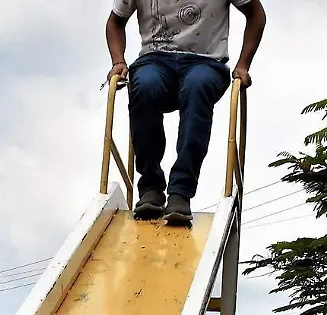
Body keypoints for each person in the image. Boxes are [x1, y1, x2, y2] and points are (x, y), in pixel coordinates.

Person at [106, 0, 267, 227]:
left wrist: (243, 65)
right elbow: (115, 21)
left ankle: (181, 191)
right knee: (145, 85)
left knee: (197, 86)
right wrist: (118, 61)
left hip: (205, 62)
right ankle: (150, 187)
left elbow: (256, 13)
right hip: (155, 59)